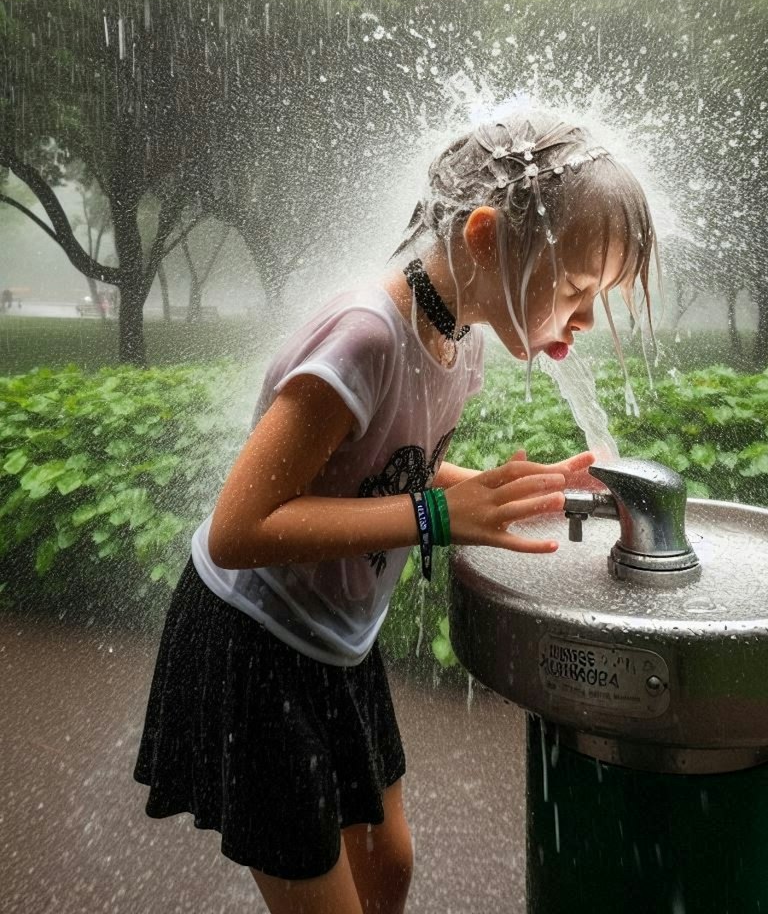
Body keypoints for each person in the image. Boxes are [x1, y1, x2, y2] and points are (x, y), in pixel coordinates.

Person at [132, 109, 658, 914]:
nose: (584, 321)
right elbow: (241, 530)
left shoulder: (460, 333)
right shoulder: (362, 338)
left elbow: (384, 462)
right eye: (577, 290)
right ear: (485, 237)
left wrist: (495, 490)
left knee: (388, 868)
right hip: (252, 645)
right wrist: (436, 519)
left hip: (337, 645)